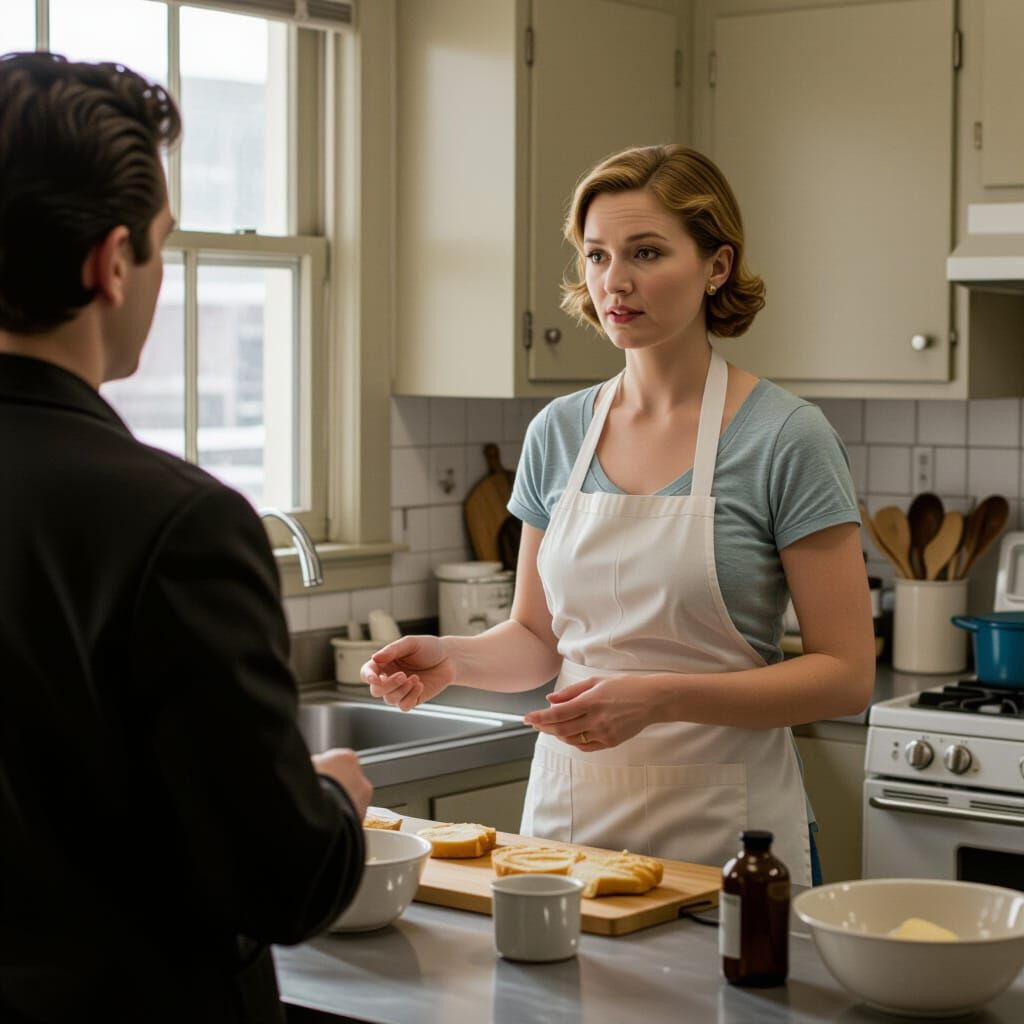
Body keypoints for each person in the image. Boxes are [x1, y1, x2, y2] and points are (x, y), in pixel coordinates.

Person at [363, 144, 875, 887]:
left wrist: (660, 697)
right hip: (569, 834)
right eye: (598, 256)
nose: (615, 282)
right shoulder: (559, 432)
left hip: (732, 844)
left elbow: (846, 676)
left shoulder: (786, 438)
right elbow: (538, 639)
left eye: (646, 252)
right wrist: (456, 659)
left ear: (717, 266)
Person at [0, 53, 372, 1023]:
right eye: (160, 247)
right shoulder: (177, 526)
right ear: (109, 263)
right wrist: (335, 802)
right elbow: (284, 881)